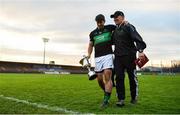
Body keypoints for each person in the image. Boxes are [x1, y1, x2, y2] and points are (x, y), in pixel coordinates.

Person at [110, 11, 147, 107]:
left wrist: (140, 50)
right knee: (119, 78)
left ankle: (134, 98)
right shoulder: (115, 30)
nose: (114, 19)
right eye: (113, 18)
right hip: (118, 57)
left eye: (116, 17)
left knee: (132, 78)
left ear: (122, 17)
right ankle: (121, 99)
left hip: (129, 56)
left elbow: (137, 38)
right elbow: (111, 42)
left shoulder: (129, 26)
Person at [88, 14, 116, 108]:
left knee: (107, 74)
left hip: (108, 55)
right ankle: (107, 92)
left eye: (101, 21)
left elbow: (120, 27)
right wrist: (88, 54)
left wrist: (125, 22)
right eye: (98, 22)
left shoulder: (110, 28)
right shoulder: (92, 33)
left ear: (104, 21)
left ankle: (106, 100)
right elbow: (91, 45)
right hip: (98, 58)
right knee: (99, 79)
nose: (100, 23)